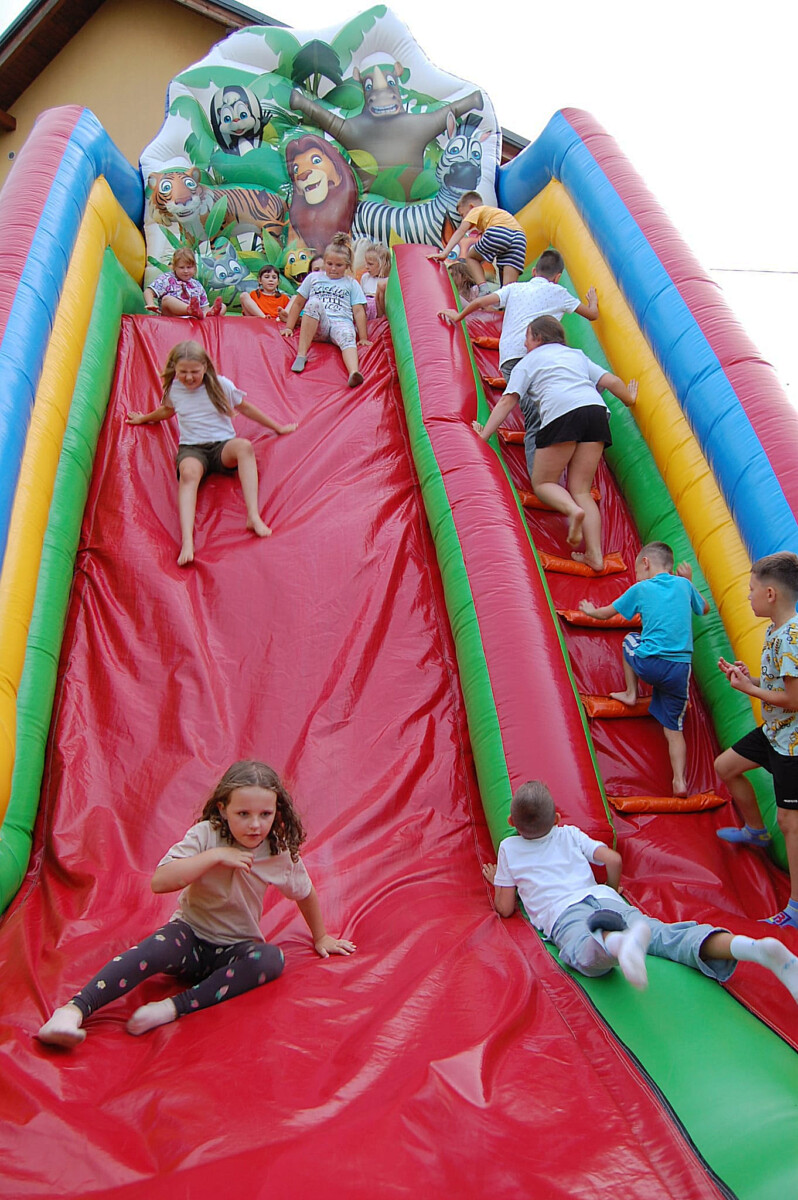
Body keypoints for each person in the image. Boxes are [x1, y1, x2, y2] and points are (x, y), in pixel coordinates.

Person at [37, 760, 356, 1047]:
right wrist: (216, 856)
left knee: (271, 959)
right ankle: (73, 1010)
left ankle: (172, 1008)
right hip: (189, 937)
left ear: (277, 811)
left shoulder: (277, 851)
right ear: (223, 809)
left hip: (233, 949)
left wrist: (320, 936)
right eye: (243, 814)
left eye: (265, 815)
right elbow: (160, 882)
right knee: (153, 949)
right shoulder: (206, 835)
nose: (255, 825)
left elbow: (305, 892)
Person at [482, 780, 798, 1000]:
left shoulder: (509, 847)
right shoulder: (569, 833)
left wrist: (498, 879)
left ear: (511, 820)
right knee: (666, 935)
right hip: (604, 898)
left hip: (563, 912)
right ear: (557, 819)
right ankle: (750, 947)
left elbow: (506, 907)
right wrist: (611, 888)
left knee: (580, 950)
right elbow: (613, 858)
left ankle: (617, 943)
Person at [473, 315, 637, 573]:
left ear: (538, 338)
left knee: (543, 483)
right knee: (582, 490)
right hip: (596, 411)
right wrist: (630, 399)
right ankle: (595, 555)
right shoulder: (576, 355)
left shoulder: (527, 362)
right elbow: (611, 382)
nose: (525, 344)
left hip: (562, 413)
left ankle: (572, 510)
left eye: (527, 337)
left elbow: (507, 401)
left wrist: (483, 436)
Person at [126, 340, 296, 567]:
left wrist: (277, 427)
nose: (188, 377)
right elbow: (166, 411)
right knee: (188, 474)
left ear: (205, 367)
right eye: (183, 372)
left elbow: (245, 407)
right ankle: (187, 541)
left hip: (222, 446)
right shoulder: (174, 389)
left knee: (245, 447)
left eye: (194, 372)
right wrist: (144, 419)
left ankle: (253, 515)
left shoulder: (220, 384)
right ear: (175, 369)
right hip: (192, 449)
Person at [439, 249, 599, 477]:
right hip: (541, 362)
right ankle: (541, 477)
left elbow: (482, 301)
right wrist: (593, 302)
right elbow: (592, 315)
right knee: (541, 414)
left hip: (511, 359)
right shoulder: (560, 292)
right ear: (558, 276)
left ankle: (548, 465)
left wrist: (458, 316)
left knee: (538, 412)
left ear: (533, 272)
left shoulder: (515, 288)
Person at [579, 542, 709, 797]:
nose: (637, 577)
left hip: (650, 664)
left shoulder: (641, 588)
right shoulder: (684, 586)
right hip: (680, 670)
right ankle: (680, 781)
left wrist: (590, 611)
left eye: (637, 570)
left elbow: (607, 614)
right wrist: (690, 581)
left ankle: (631, 692)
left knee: (629, 639)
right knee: (674, 729)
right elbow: (704, 608)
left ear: (646, 563)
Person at [714, 552, 798, 929]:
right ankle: (755, 831)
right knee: (725, 766)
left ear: (770, 594)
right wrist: (751, 680)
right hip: (775, 731)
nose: (747, 596)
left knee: (790, 823)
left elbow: (794, 699)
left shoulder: (792, 636)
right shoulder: (775, 630)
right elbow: (781, 685)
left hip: (792, 743)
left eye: (751, 589)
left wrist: (750, 690)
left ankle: (795, 907)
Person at [280, 234, 370, 388]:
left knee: (347, 334)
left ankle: (354, 372)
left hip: (341, 322)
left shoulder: (351, 283)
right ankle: (301, 355)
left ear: (347, 266)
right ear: (324, 262)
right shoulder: (314, 278)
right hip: (319, 324)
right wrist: (289, 326)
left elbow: (358, 311)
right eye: (329, 264)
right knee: (313, 303)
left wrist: (363, 337)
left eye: (339, 265)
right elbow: (298, 303)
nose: (333, 268)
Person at [429, 191, 527, 287]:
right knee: (508, 288)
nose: (463, 219)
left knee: (471, 258)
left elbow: (461, 231)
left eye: (462, 215)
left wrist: (445, 253)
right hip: (520, 239)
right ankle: (506, 295)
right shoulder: (495, 214)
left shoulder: (476, 210)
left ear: (471, 207)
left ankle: (483, 288)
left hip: (499, 232)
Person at [144, 248, 225, 319]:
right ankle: (190, 310)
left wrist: (208, 312)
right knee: (167, 300)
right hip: (172, 317)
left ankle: (209, 315)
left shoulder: (197, 285)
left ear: (194, 268)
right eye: (181, 267)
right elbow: (148, 291)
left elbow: (205, 308)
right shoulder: (167, 279)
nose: (186, 271)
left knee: (223, 306)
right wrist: (151, 304)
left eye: (189, 267)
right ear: (175, 267)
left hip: (193, 320)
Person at [359, 242, 391, 319]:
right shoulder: (365, 277)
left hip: (379, 309)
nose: (366, 267)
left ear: (382, 264)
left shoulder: (388, 280)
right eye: (366, 263)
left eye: (370, 264)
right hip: (365, 307)